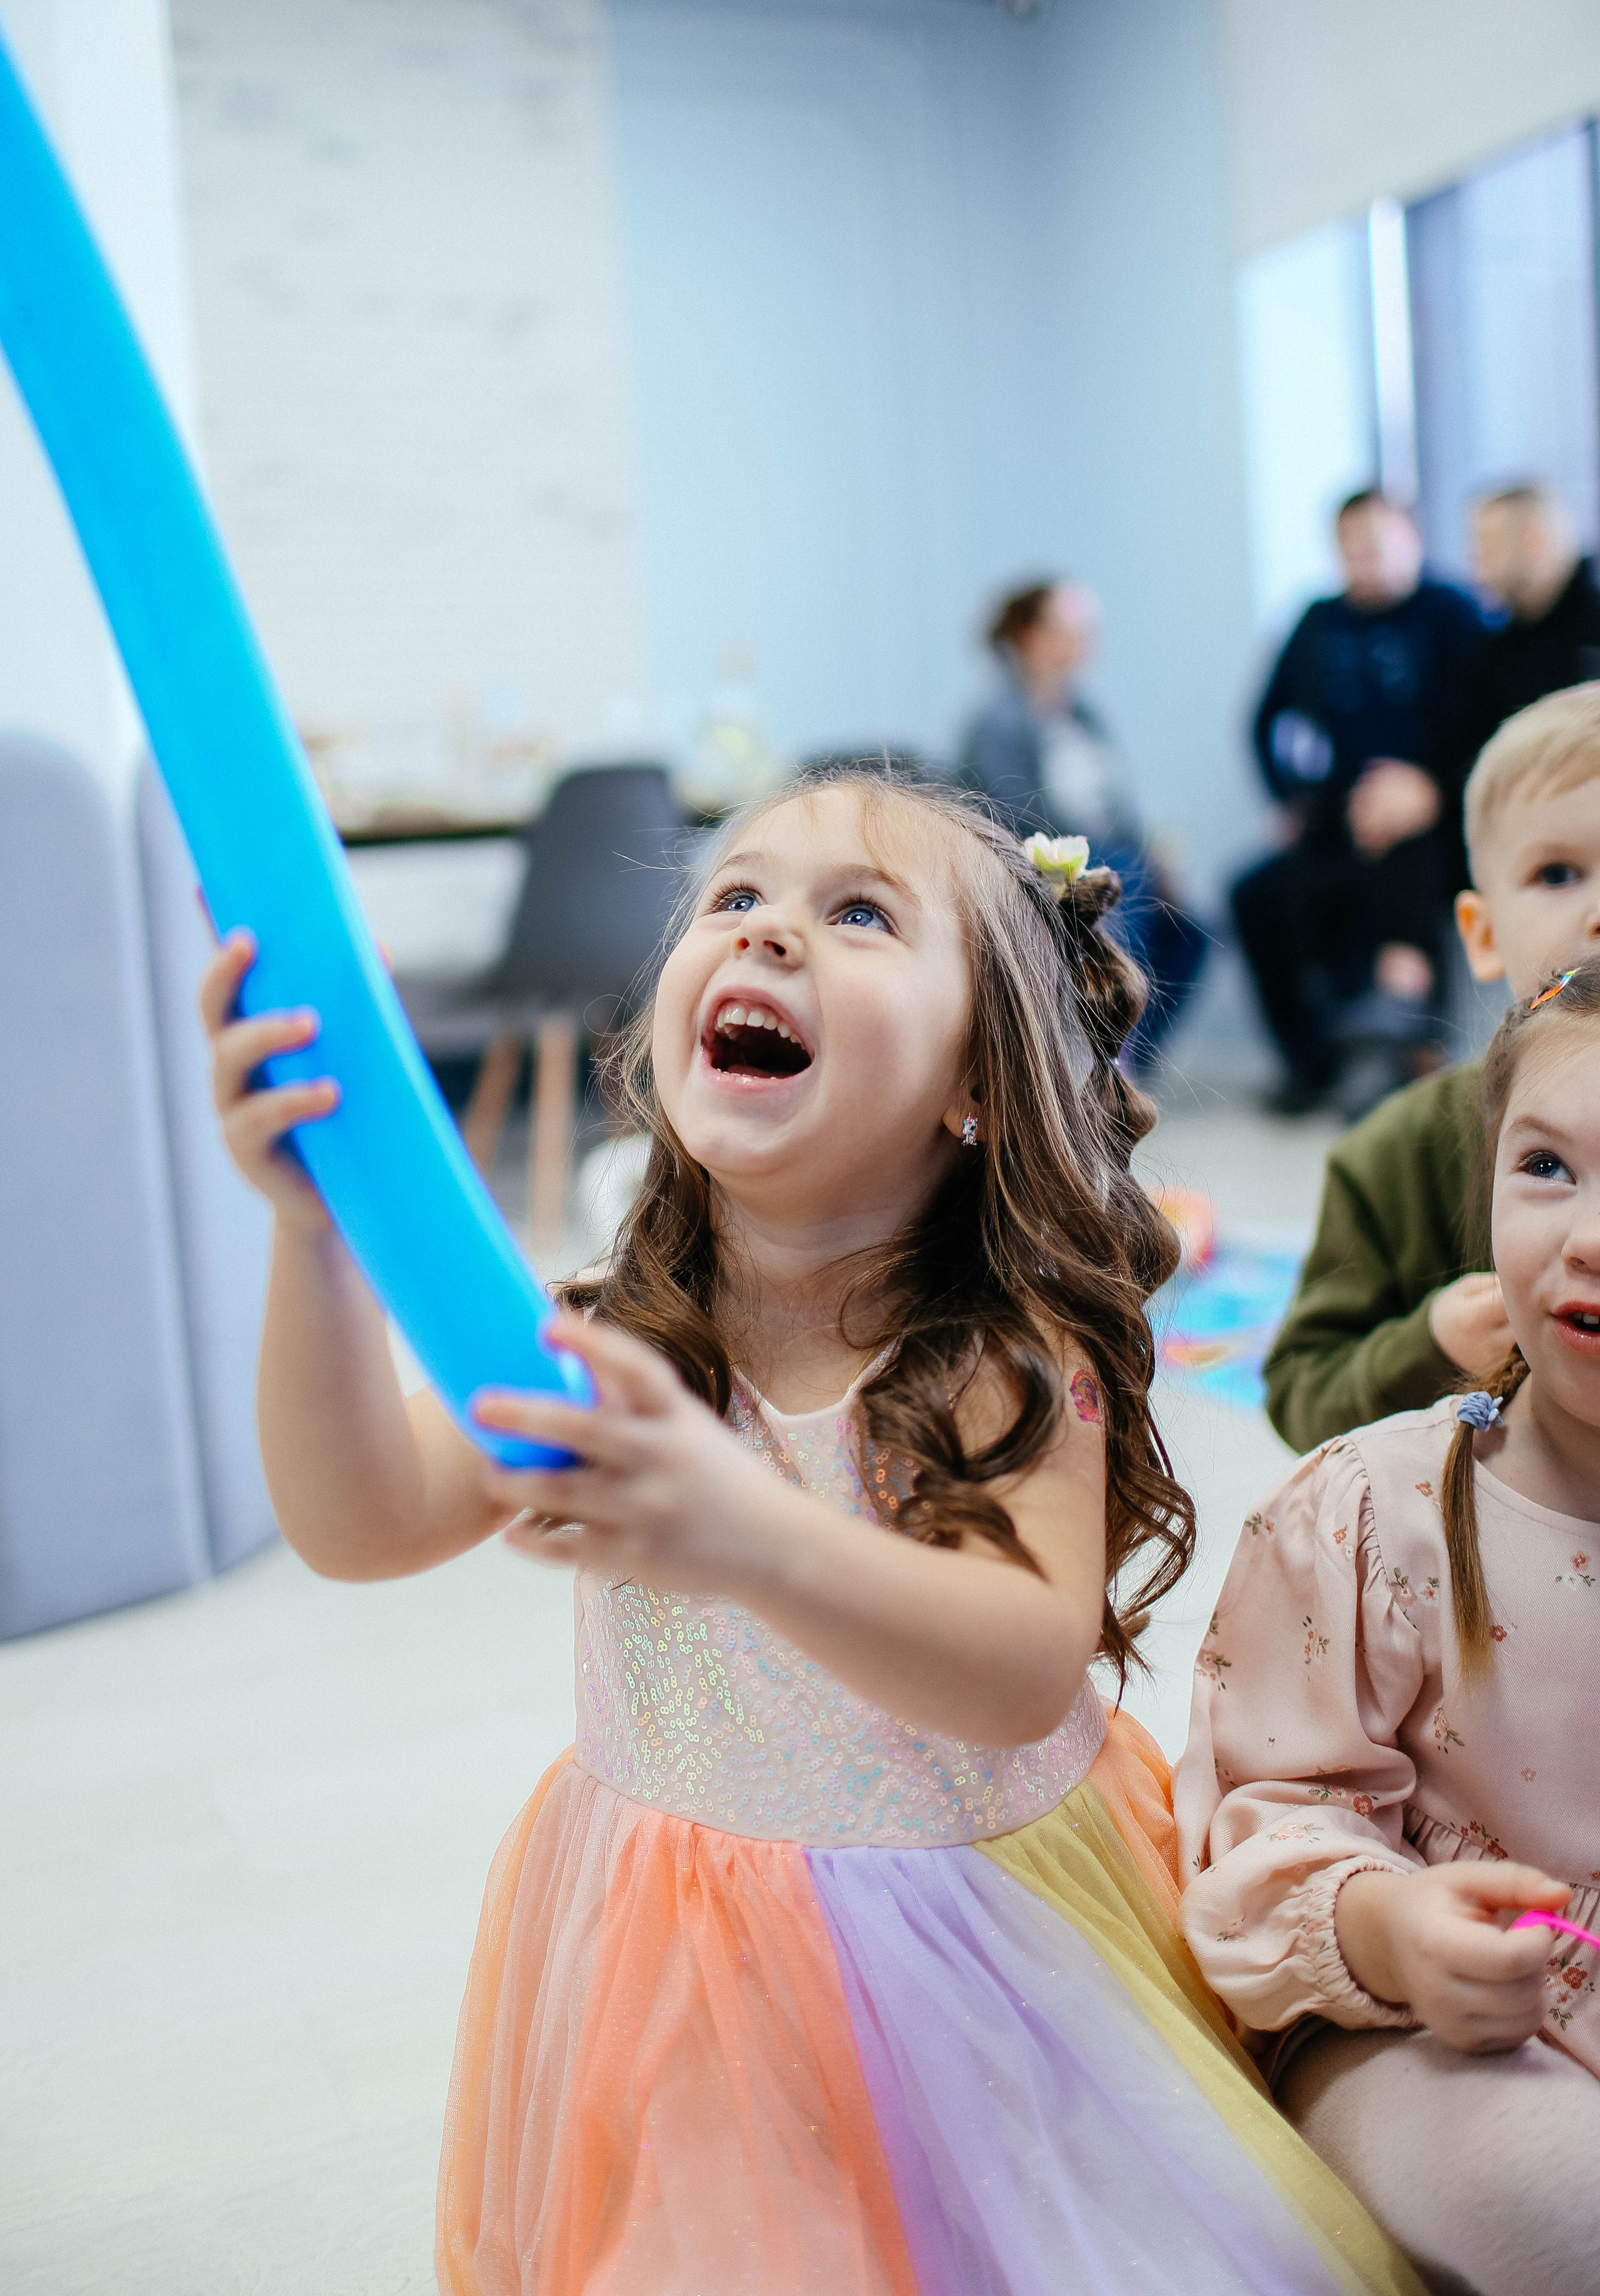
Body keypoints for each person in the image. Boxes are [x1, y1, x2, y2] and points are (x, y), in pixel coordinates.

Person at [202, 768, 1418, 2294]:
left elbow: (1020, 1667)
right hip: (669, 1945)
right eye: (734, 895)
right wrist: (310, 1232)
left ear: (972, 1075)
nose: (768, 931)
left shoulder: (1005, 1347)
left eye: (855, 912)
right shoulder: (612, 1332)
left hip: (976, 1959)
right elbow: (360, 1522)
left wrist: (742, 1532)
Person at [1176, 954, 1600, 2295]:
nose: (1584, 1234)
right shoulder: (1374, 1510)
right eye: (1544, 1169)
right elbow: (1269, 1816)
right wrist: (1393, 1932)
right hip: (1423, 2026)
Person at [1264, 684, 1600, 1451]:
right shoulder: (1391, 1155)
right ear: (1481, 934)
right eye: (1556, 874)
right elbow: (1302, 1396)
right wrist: (1432, 1343)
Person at [1231, 491, 1482, 1114]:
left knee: (1399, 883)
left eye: (1376, 540)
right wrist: (1290, 799)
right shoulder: (1319, 620)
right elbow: (1264, 718)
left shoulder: (1451, 613)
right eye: (1350, 544)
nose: (1363, 556)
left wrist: (1426, 790)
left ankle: (1397, 1057)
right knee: (1255, 894)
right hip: (1338, 820)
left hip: (1435, 822)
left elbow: (1485, 721)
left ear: (1410, 540)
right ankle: (1310, 1062)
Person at [961, 577, 1207, 1071]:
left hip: (1114, 858)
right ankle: (1109, 1055)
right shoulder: (997, 723)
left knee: (1193, 933)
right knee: (1122, 880)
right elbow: (1015, 816)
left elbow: (1120, 808)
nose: (1085, 640)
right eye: (1069, 627)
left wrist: (1154, 856)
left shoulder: (1086, 716)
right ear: (1029, 638)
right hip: (1046, 865)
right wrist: (1117, 856)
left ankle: (1124, 1053)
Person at [1433, 483, 1600, 873]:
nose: (1473, 561)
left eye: (1485, 544)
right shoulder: (1497, 644)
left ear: (1532, 539)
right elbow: (1458, 742)